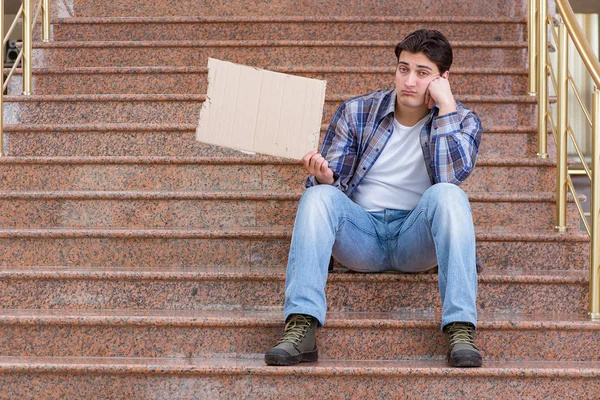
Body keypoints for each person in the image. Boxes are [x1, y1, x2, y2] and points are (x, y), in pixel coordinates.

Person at [264, 29, 483, 368]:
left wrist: (447, 107)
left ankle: (459, 327)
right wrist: (325, 179)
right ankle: (302, 326)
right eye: (403, 69)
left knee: (448, 195)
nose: (409, 81)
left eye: (423, 73)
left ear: (443, 79)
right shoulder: (357, 112)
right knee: (317, 196)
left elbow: (449, 176)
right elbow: (334, 184)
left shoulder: (462, 120)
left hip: (416, 239)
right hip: (361, 236)